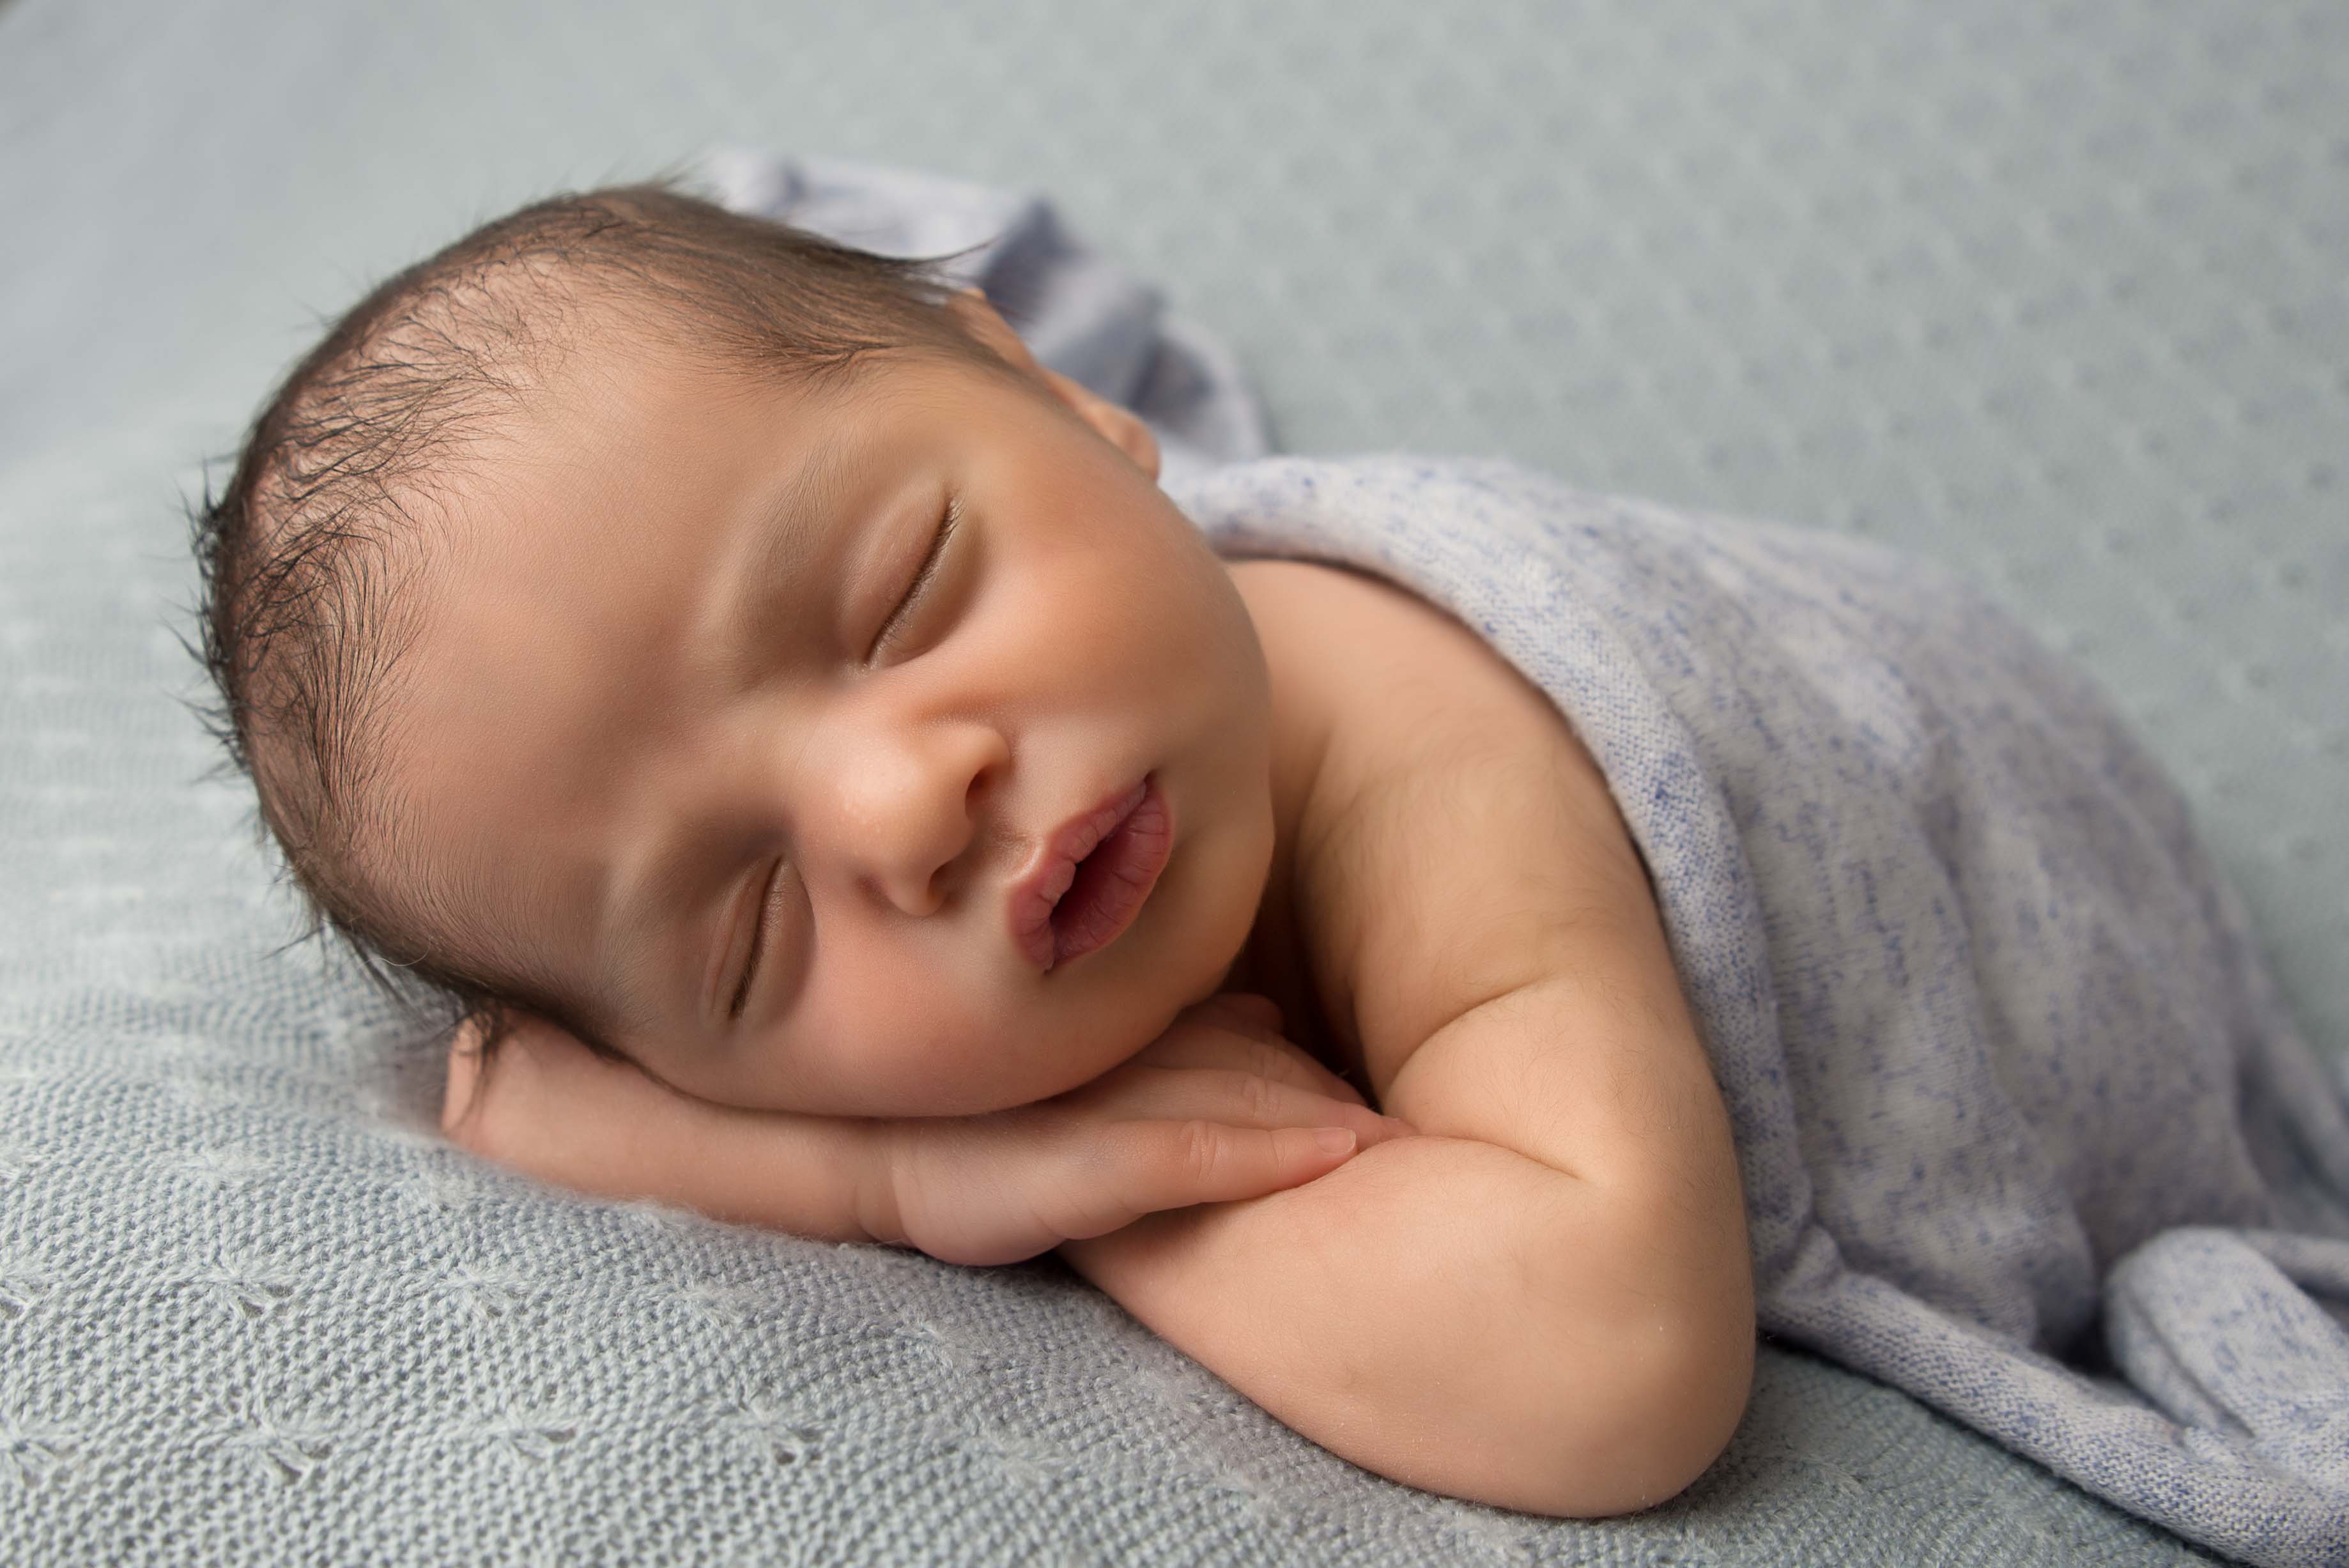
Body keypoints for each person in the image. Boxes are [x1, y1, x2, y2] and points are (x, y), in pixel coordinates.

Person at [190, 180, 1804, 1520]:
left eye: (905, 591)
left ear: (1056, 399)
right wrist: (911, 1174)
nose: (902, 812)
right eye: (752, 928)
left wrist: (1106, 1199)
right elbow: (504, 1091)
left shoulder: (1415, 733)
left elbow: (1616, 1362)